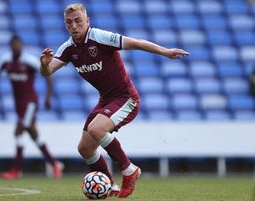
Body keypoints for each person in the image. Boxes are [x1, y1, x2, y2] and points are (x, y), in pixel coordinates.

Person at [40, 3, 189, 198]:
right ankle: (109, 186)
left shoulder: (99, 37)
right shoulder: (68, 48)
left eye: (78, 21)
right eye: (69, 23)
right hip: (106, 100)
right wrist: (43, 64)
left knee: (96, 129)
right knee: (85, 148)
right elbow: (48, 71)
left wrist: (165, 51)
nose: (74, 26)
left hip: (127, 98)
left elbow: (136, 42)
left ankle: (129, 169)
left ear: (87, 21)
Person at [0, 35, 63, 180]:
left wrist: (48, 97)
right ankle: (55, 164)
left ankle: (16, 170)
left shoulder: (29, 61)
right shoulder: (6, 60)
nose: (16, 47)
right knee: (34, 135)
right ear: (11, 47)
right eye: (13, 45)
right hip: (18, 104)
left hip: (30, 102)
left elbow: (48, 75)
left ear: (21, 46)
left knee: (18, 132)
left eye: (18, 45)